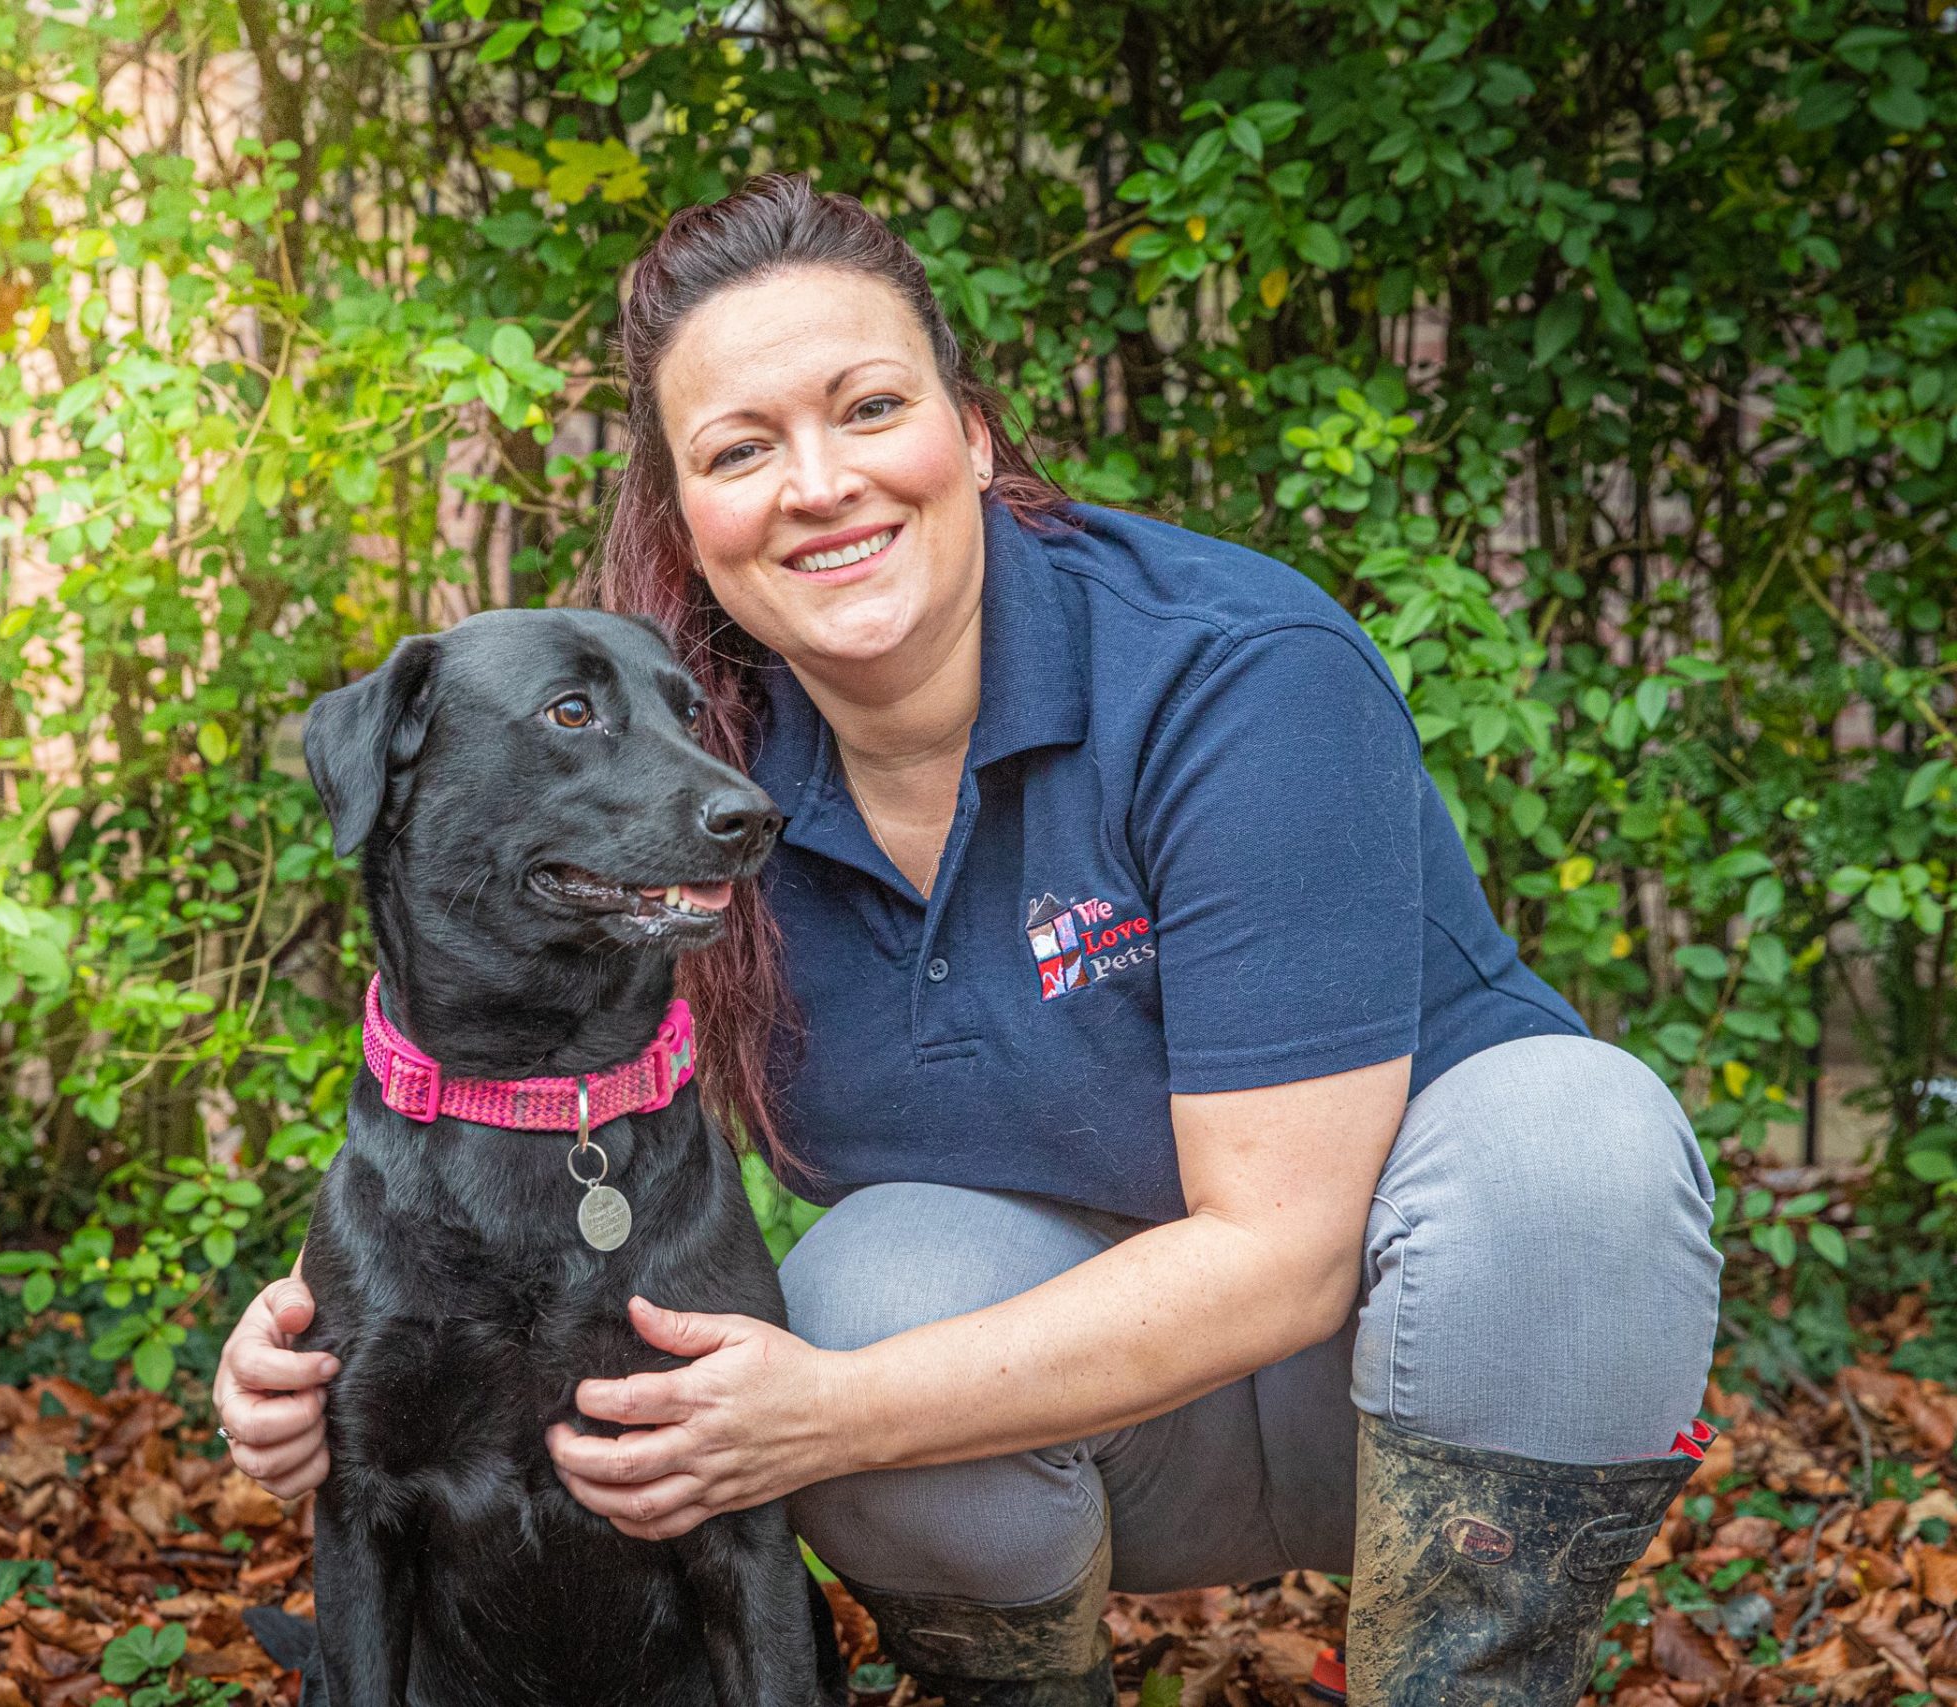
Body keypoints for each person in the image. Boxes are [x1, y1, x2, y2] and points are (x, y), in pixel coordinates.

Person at [213, 174, 1721, 1706]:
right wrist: (320, 1338)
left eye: (869, 406)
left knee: (1570, 1135)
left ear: (974, 431)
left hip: (1411, 1373)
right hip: (1105, 1432)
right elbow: (510, 1039)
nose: (818, 483)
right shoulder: (701, 776)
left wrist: (841, 1415)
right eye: (742, 449)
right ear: (687, 517)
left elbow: (1283, 1249)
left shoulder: (1235, 676)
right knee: (864, 1289)